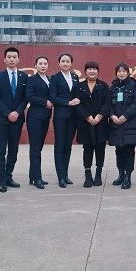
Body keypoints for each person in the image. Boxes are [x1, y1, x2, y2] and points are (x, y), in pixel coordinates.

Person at [0, 47, 28, 192]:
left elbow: (25, 98)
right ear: (5, 59)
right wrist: (8, 113)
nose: (12, 59)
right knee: (1, 150)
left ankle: (8, 176)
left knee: (13, 150)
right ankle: (2, 181)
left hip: (17, 119)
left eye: (14, 57)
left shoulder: (24, 77)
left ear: (18, 59)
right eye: (9, 57)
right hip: (2, 119)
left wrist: (17, 112)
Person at [76, 61, 110, 188]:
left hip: (101, 123)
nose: (92, 71)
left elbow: (107, 103)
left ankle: (98, 175)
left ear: (98, 71)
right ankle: (88, 175)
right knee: (87, 149)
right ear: (85, 71)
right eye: (89, 69)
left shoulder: (104, 86)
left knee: (100, 149)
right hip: (85, 123)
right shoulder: (79, 86)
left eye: (94, 69)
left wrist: (99, 116)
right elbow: (78, 105)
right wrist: (88, 117)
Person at [109, 62, 136, 189]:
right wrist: (112, 116)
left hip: (130, 124)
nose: (121, 73)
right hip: (116, 124)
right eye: (119, 71)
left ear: (128, 72)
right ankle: (121, 175)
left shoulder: (134, 85)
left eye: (124, 71)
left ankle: (128, 177)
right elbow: (108, 104)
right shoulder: (113, 87)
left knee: (129, 151)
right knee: (119, 151)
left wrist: (125, 116)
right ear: (116, 73)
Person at [49, 53, 80, 188]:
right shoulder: (55, 78)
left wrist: (78, 99)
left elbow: (77, 94)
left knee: (68, 146)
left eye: (68, 61)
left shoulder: (75, 77)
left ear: (71, 63)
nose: (65, 63)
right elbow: (53, 97)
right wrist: (68, 103)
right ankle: (60, 176)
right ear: (59, 63)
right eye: (63, 61)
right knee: (60, 145)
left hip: (73, 117)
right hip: (60, 116)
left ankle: (65, 174)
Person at [26, 56, 53, 189]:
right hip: (34, 117)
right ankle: (37, 178)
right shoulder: (32, 80)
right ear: (35, 65)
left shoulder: (49, 79)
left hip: (46, 117)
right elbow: (29, 96)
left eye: (45, 63)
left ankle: (33, 176)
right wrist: (45, 102)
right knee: (35, 148)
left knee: (38, 147)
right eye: (40, 63)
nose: (43, 66)